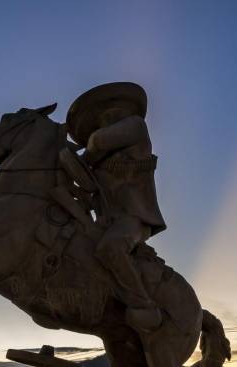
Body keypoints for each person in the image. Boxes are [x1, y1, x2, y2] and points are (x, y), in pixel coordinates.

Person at [63, 82, 166, 332]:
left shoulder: (136, 128)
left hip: (134, 220)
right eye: (103, 118)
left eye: (112, 115)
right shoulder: (97, 162)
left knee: (111, 248)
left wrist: (78, 156)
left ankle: (144, 306)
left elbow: (98, 141)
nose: (108, 120)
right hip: (106, 222)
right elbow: (85, 188)